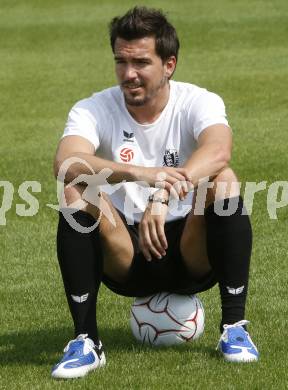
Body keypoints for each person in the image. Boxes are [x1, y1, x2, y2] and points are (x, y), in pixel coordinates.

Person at [51, 6, 259, 379]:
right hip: (125, 252)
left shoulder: (198, 101)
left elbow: (218, 150)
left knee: (223, 178)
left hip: (190, 250)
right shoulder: (94, 107)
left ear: (169, 65)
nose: (128, 74)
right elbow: (67, 162)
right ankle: (86, 341)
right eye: (121, 62)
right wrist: (139, 173)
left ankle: (235, 328)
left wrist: (161, 195)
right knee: (75, 191)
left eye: (141, 63)